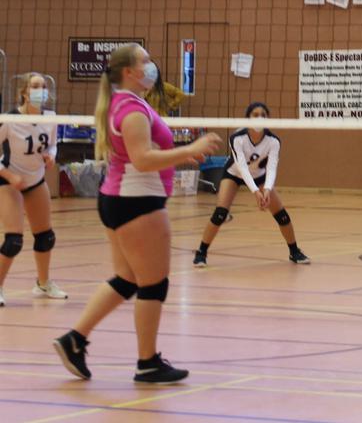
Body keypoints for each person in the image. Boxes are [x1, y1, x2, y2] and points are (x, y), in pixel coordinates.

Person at [53, 44, 220, 383]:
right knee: (154, 283)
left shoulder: (128, 103)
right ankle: (147, 362)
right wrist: (190, 148)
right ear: (128, 71)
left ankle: (75, 339)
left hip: (121, 197)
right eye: (144, 61)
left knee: (126, 279)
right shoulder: (130, 108)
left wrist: (179, 157)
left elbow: (141, 153)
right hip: (138, 201)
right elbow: (141, 158)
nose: (151, 65)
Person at [193, 102, 309, 267]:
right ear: (248, 118)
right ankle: (201, 253)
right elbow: (242, 167)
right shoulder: (237, 138)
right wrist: (256, 192)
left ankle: (294, 251)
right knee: (220, 213)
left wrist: (267, 189)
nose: (259, 118)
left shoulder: (273, 141)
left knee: (282, 215)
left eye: (263, 115)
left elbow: (272, 168)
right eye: (255, 115)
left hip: (260, 177)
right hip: (234, 174)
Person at [0, 73, 66, 306]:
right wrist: (10, 176)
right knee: (14, 241)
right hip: (9, 180)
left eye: (44, 86)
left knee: (45, 237)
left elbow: (53, 145)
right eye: (36, 86)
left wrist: (51, 158)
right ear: (25, 92)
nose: (41, 90)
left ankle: (43, 283)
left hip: (36, 179)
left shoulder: (51, 117)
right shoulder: (9, 119)